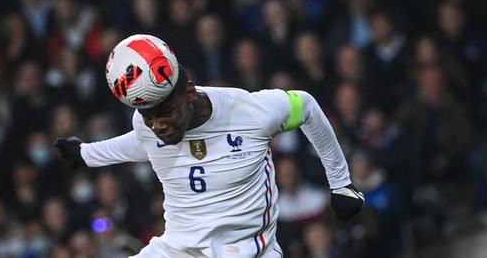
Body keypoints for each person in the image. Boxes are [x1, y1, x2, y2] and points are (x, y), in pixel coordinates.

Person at [54, 34, 364, 257]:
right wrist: (85, 154)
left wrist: (341, 183)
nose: (157, 125)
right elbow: (140, 144)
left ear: (189, 93)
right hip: (177, 249)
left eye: (165, 113)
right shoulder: (149, 126)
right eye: (147, 117)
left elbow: (307, 107)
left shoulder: (251, 112)